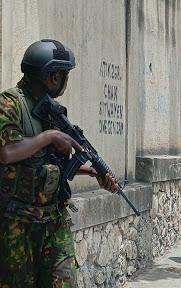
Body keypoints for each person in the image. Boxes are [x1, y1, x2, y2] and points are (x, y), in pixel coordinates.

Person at [0, 39, 118, 287]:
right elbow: (7, 152)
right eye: (64, 74)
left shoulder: (53, 110)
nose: (65, 81)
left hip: (53, 218)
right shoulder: (10, 103)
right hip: (17, 222)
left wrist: (93, 172)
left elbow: (54, 163)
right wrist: (49, 136)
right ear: (51, 76)